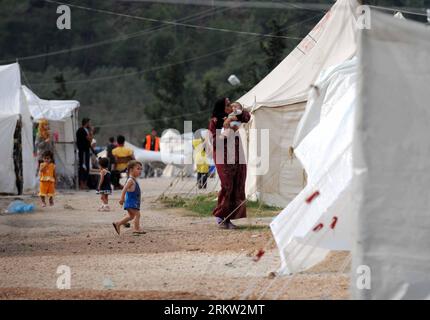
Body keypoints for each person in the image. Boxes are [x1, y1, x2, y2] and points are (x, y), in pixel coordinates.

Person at [208, 97, 251, 229]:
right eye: (228, 105)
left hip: (236, 155)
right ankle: (221, 217)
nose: (230, 107)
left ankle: (229, 218)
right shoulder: (214, 121)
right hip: (222, 155)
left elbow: (247, 117)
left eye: (230, 104)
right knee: (227, 185)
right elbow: (213, 142)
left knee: (237, 183)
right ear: (221, 107)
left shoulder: (233, 117)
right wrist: (226, 132)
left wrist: (238, 108)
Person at [112, 160, 145, 235]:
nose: (140, 171)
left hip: (132, 202)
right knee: (137, 215)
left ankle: (118, 223)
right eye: (138, 169)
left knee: (131, 216)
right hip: (131, 202)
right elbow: (124, 189)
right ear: (131, 170)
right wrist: (122, 198)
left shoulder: (134, 180)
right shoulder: (131, 180)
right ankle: (136, 229)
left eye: (141, 169)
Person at [76, 118, 93, 189]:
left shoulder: (86, 130)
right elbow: (89, 139)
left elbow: (90, 140)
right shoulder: (81, 130)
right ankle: (81, 183)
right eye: (89, 122)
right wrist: (91, 131)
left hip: (86, 150)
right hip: (83, 150)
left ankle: (85, 183)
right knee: (83, 166)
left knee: (87, 166)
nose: (90, 124)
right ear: (86, 123)